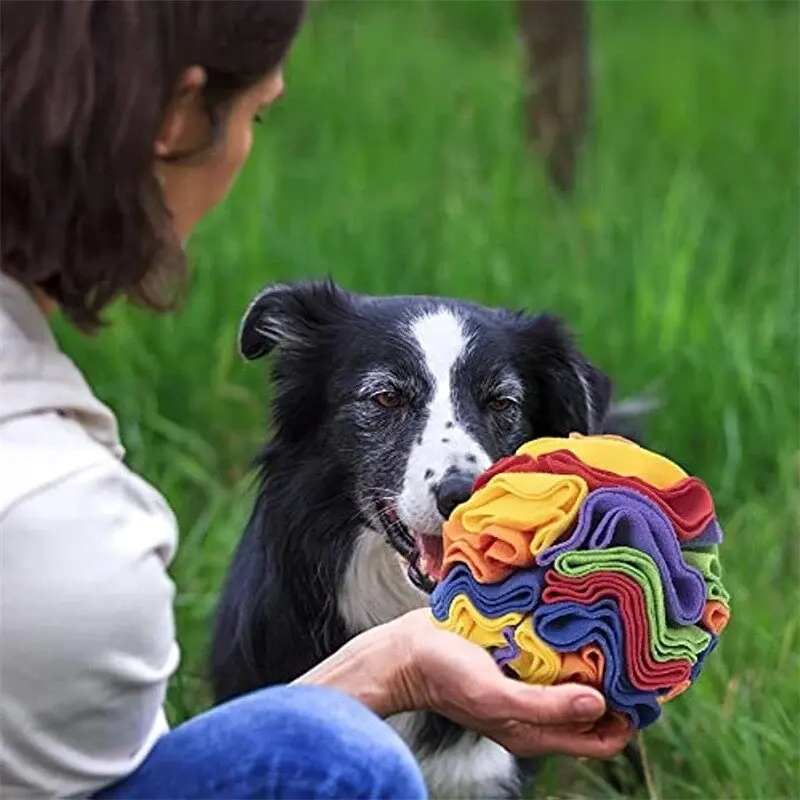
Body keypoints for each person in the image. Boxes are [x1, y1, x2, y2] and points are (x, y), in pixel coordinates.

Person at [0, 2, 635, 798]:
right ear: (181, 115)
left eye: (498, 409)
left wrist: (394, 667)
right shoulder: (64, 530)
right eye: (259, 113)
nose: (462, 473)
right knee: (343, 762)